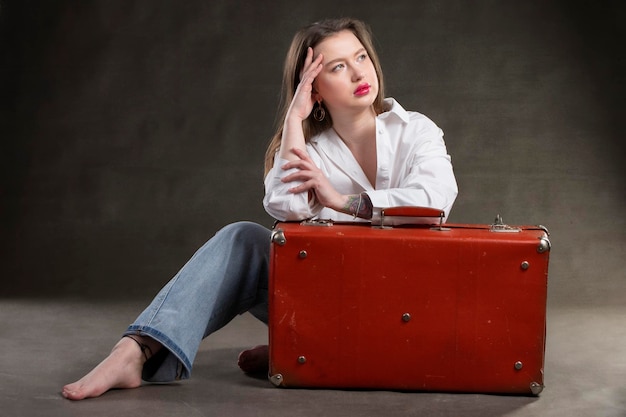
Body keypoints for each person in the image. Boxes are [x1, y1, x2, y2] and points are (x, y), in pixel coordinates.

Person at [61, 17, 458, 401]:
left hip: (405, 311)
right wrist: (295, 119)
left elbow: (435, 199)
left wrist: (342, 201)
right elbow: (285, 207)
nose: (358, 74)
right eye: (337, 67)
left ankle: (294, 347)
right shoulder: (309, 149)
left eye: (361, 58)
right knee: (244, 238)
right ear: (314, 88)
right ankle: (132, 353)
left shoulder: (415, 129)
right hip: (331, 306)